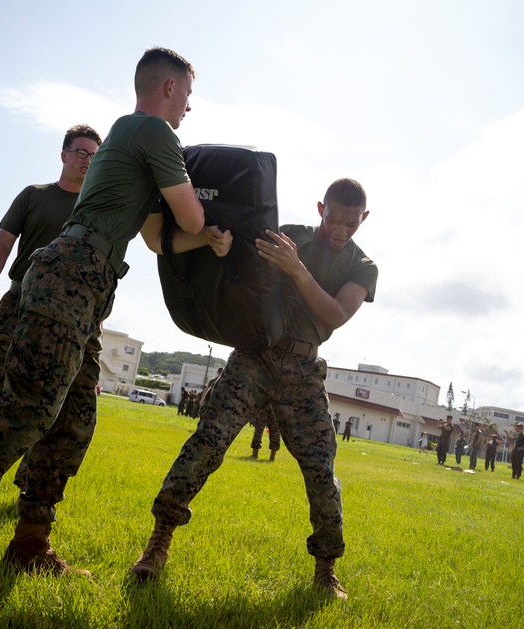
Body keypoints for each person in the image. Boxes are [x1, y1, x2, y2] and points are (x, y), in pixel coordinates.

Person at [0, 47, 232, 595]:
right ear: (169, 89)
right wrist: (209, 227)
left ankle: (30, 542)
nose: (190, 109)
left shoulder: (132, 144)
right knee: (29, 408)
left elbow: (157, 239)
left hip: (86, 285)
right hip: (70, 275)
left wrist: (207, 239)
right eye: (189, 96)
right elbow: (190, 216)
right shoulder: (151, 132)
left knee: (73, 419)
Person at [130, 177, 379, 600]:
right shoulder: (289, 236)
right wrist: (224, 248)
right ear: (321, 208)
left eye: (350, 225)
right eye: (333, 220)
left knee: (321, 469)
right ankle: (158, 542)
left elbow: (335, 314)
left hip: (302, 370)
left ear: (364, 219)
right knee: (207, 441)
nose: (339, 230)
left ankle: (326, 569)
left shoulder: (362, 266)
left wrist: (296, 269)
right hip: (256, 356)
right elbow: (238, 268)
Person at [0, 124, 103, 439]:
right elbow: (3, 243)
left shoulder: (97, 206)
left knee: (56, 397)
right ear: (64, 154)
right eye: (81, 152)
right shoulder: (33, 195)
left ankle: (33, 481)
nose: (87, 160)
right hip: (21, 303)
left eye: (95, 156)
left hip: (70, 313)